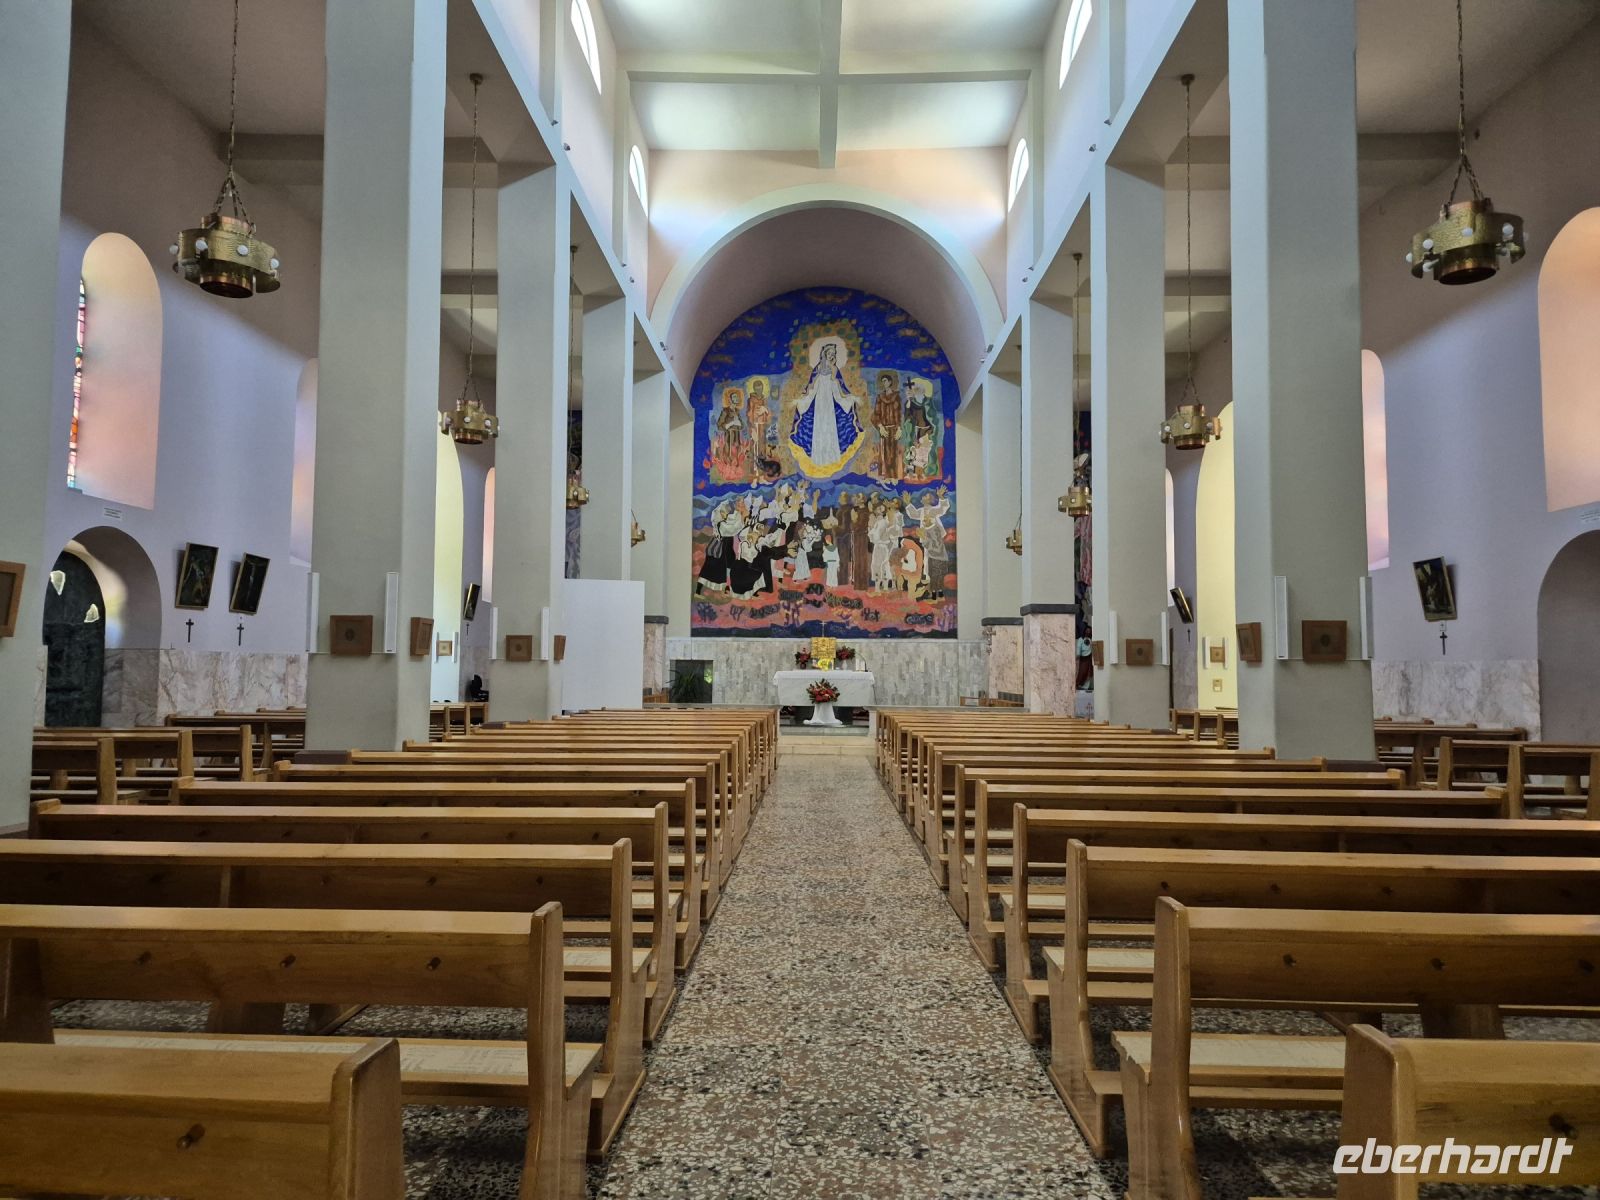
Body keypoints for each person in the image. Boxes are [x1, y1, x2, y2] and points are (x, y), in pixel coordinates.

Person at [789, 340, 865, 474]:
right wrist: (801, 401)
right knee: (819, 428)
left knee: (830, 428)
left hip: (829, 403)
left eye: (833, 354)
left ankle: (831, 458)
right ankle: (819, 460)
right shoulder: (818, 369)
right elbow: (812, 389)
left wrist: (849, 399)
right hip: (819, 404)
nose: (831, 356)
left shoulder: (834, 369)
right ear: (824, 354)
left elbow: (837, 389)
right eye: (829, 353)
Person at [904, 486, 952, 599]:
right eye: (924, 495)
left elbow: (943, 509)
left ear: (930, 500)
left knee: (934, 559)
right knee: (926, 558)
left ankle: (933, 584)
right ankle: (928, 580)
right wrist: (908, 503)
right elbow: (913, 514)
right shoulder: (921, 511)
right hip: (925, 537)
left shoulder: (933, 510)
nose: (924, 496)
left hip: (933, 537)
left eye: (927, 496)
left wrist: (941, 497)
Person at [871, 370, 904, 482]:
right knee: (884, 453)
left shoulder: (896, 397)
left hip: (894, 428)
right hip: (884, 429)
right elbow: (876, 414)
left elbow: (898, 414)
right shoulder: (880, 397)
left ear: (890, 382)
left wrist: (899, 428)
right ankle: (884, 476)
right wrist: (880, 426)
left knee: (893, 453)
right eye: (882, 381)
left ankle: (893, 476)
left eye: (885, 381)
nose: (883, 383)